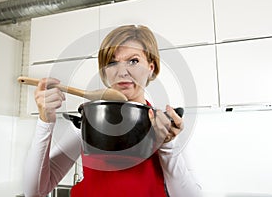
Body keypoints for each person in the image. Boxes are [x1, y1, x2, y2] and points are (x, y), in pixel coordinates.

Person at [23, 25, 202, 197]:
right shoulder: (88, 122)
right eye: (112, 62)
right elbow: (36, 191)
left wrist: (167, 146)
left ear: (150, 68)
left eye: (133, 61)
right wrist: (45, 121)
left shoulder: (166, 125)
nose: (122, 72)